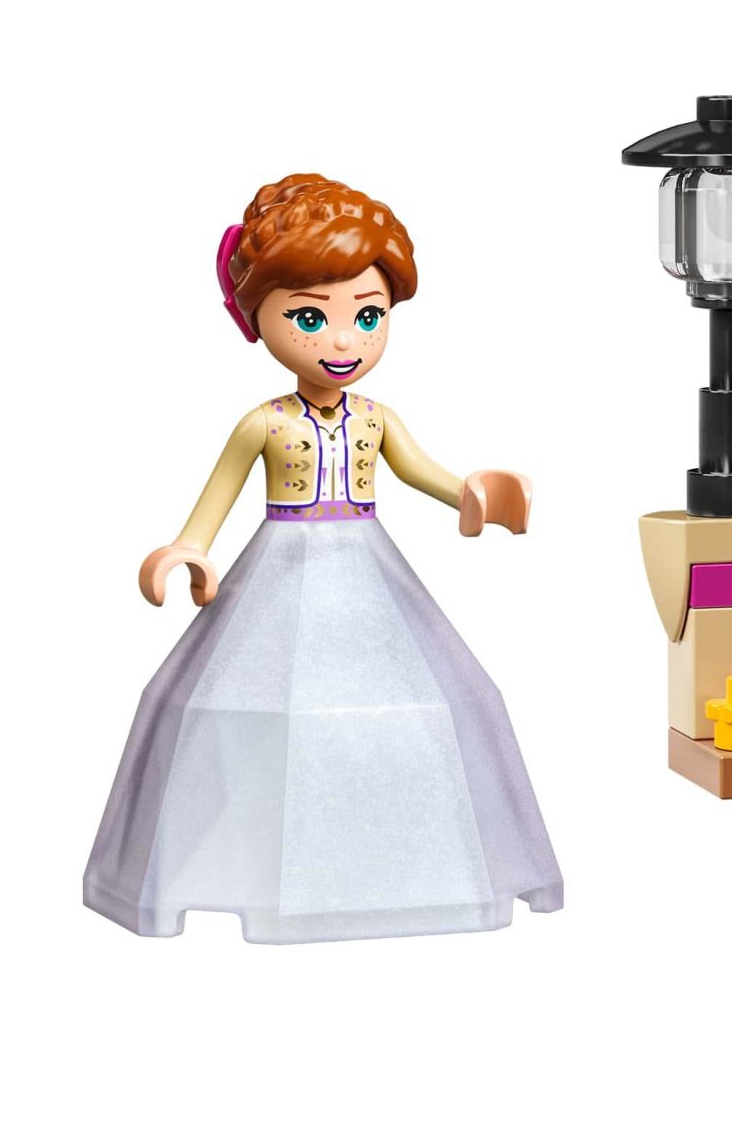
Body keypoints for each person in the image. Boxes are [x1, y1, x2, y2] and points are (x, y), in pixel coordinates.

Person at [84, 173, 563, 941]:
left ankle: (394, 874)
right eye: (310, 317)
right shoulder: (264, 424)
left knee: (419, 704)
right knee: (256, 711)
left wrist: (474, 492)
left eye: (368, 316)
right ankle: (263, 870)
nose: (343, 341)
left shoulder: (376, 418)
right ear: (257, 317)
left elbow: (423, 472)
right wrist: (188, 550)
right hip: (279, 570)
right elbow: (214, 501)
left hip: (369, 572)